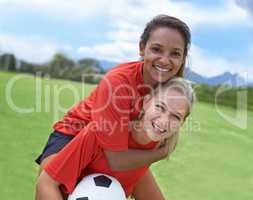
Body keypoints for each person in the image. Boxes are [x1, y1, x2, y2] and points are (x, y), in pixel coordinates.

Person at [35, 14, 191, 199]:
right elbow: (115, 159)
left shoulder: (170, 91)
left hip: (117, 145)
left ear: (183, 58)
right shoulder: (118, 83)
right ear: (142, 48)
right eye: (157, 49)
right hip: (76, 135)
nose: (165, 60)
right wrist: (162, 153)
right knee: (53, 185)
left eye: (175, 53)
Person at [36, 77, 195, 200]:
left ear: (182, 122)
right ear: (146, 102)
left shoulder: (159, 143)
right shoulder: (102, 132)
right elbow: (46, 183)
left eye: (175, 116)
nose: (164, 121)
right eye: (160, 107)